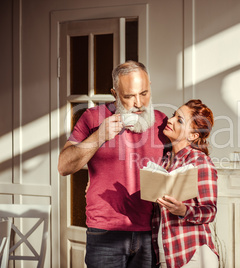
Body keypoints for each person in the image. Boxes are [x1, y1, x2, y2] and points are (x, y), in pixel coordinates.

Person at [58, 61, 168, 268]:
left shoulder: (163, 122)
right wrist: (99, 136)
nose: (139, 103)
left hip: (149, 233)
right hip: (104, 233)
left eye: (144, 93)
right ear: (115, 94)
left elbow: (180, 167)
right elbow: (64, 166)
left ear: (150, 86)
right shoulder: (92, 118)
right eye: (129, 96)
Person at [151, 99, 219, 268]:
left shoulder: (200, 161)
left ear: (193, 135)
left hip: (194, 256)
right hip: (165, 254)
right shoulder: (163, 161)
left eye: (179, 120)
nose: (171, 120)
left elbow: (210, 211)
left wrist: (183, 210)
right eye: (174, 115)